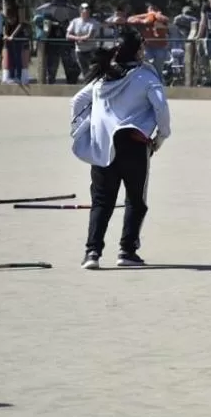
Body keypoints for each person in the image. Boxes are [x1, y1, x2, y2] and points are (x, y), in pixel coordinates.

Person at [70, 27, 171, 269]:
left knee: (101, 201)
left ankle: (92, 253)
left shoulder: (103, 77)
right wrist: (161, 137)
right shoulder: (146, 76)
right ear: (138, 50)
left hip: (103, 146)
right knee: (136, 200)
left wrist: (81, 128)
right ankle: (127, 252)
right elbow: (161, 108)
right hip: (134, 146)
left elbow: (77, 101)